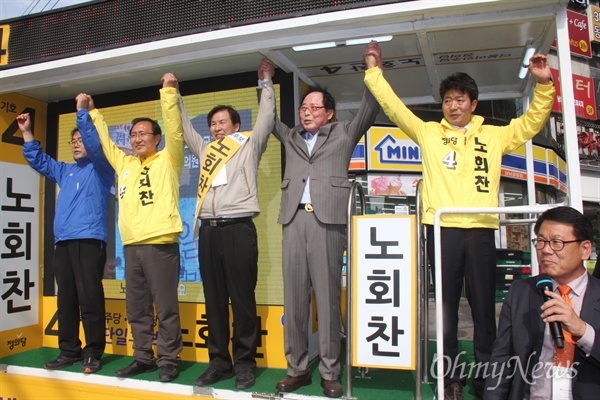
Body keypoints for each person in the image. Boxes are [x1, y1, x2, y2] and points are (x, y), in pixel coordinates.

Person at [363, 40, 555, 400]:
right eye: (448, 100)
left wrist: (544, 84)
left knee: (484, 311)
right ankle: (450, 379)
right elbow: (394, 107)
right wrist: (374, 70)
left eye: (460, 100)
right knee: (447, 311)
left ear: (473, 104)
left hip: (481, 230)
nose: (453, 106)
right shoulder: (429, 133)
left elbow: (530, 123)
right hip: (443, 231)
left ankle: (486, 380)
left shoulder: (494, 136)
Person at [270, 59, 380, 398]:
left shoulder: (345, 131)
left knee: (329, 298)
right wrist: (264, 84)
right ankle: (297, 369)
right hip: (293, 220)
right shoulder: (290, 137)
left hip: (328, 222)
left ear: (329, 113)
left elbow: (371, 105)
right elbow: (267, 121)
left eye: (314, 107)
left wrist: (373, 68)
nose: (306, 113)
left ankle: (330, 371)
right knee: (295, 298)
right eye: (303, 107)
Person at [171, 59, 276, 389]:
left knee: (242, 300)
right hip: (208, 234)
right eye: (213, 124)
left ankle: (245, 362)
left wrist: (266, 82)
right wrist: (174, 95)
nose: (216, 128)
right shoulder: (204, 150)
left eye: (222, 123)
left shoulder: (248, 146)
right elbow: (185, 127)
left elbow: (267, 119)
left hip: (238, 231)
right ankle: (220, 361)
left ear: (235, 125)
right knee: (214, 300)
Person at [83, 72, 184, 383]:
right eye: (134, 135)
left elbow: (176, 130)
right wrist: (92, 112)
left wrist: (168, 93)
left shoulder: (169, 158)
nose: (138, 138)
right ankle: (143, 357)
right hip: (131, 246)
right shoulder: (125, 164)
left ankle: (168, 359)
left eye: (144, 134)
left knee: (165, 307)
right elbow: (105, 143)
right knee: (137, 308)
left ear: (157, 138)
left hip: (160, 244)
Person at [17, 108, 114, 374]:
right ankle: (69, 350)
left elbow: (96, 145)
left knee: (90, 298)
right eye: (72, 141)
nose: (75, 144)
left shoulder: (101, 168)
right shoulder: (65, 170)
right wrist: (27, 133)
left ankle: (93, 353)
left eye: (80, 139)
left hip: (89, 241)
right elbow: (39, 161)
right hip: (63, 243)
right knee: (67, 299)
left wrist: (83, 114)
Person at [484, 206, 600, 399]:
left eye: (556, 242)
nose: (546, 250)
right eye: (540, 241)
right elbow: (501, 361)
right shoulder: (521, 292)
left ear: (585, 249)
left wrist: (582, 330)